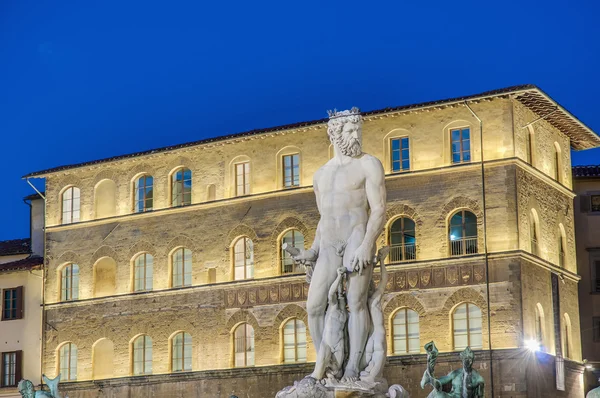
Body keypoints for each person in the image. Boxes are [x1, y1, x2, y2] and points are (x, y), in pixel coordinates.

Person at [293, 107, 386, 380]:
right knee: (313, 307)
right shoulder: (320, 175)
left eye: (358, 129)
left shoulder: (369, 164)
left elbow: (379, 209)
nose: (356, 135)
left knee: (356, 303)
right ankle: (329, 365)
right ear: (333, 133)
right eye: (349, 130)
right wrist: (311, 250)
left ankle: (352, 368)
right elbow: (324, 219)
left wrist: (368, 243)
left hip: (357, 236)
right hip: (330, 243)